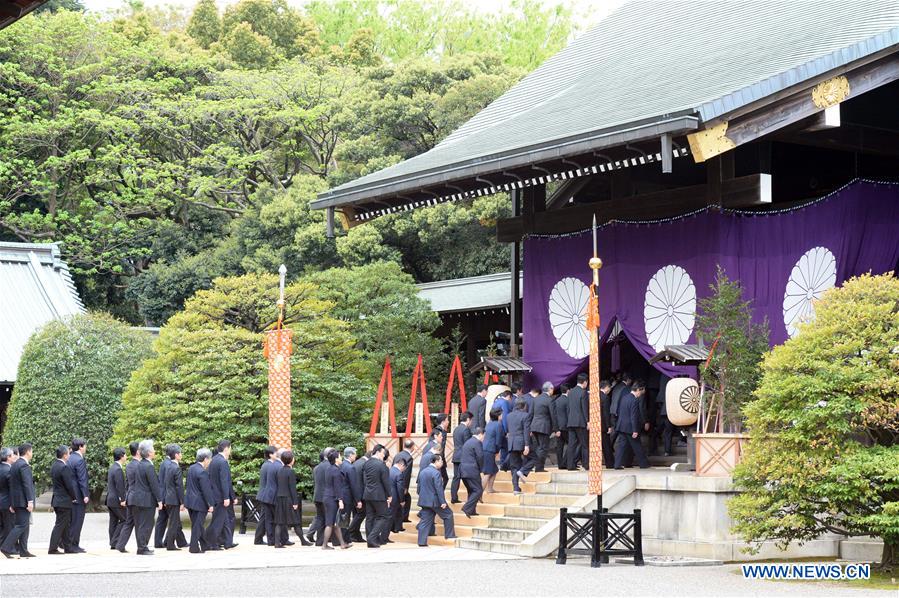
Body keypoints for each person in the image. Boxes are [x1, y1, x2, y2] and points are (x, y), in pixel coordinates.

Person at [2, 442, 35, 558]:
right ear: (27, 452)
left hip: (17, 501)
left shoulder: (15, 464)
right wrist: (30, 501)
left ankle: (23, 550)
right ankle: (6, 547)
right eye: (31, 451)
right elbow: (27, 484)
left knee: (24, 526)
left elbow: (12, 485)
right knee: (21, 525)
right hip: (23, 501)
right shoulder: (24, 465)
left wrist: (12, 503)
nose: (32, 453)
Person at [415, 455, 456, 547]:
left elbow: (419, 487)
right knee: (448, 515)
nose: (442, 463)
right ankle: (449, 535)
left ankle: (421, 542)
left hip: (424, 501)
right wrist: (443, 502)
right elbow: (439, 489)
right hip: (435, 501)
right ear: (436, 461)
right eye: (441, 461)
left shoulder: (422, 471)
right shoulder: (436, 473)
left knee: (425, 521)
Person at [131, 440, 162, 555]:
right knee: (147, 524)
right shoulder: (148, 466)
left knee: (142, 524)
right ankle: (142, 548)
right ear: (149, 452)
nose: (155, 451)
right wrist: (159, 500)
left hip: (139, 498)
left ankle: (142, 546)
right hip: (147, 499)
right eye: (153, 449)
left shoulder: (140, 464)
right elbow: (154, 485)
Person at [614, 380, 651, 469]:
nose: (640, 394)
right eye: (640, 392)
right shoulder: (634, 400)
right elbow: (634, 416)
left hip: (621, 425)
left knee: (621, 447)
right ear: (638, 390)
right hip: (630, 427)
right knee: (637, 446)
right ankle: (644, 464)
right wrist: (635, 430)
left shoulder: (624, 397)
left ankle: (617, 464)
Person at [184, 448, 216, 553]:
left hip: (190, 501)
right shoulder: (202, 472)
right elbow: (206, 490)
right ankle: (193, 547)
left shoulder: (191, 468)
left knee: (197, 525)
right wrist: (210, 504)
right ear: (205, 459)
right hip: (199, 503)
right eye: (210, 459)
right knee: (197, 526)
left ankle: (204, 545)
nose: (210, 462)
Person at [208, 440, 238, 550]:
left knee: (224, 520)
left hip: (215, 495)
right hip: (221, 496)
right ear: (226, 449)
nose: (230, 451)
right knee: (221, 520)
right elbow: (224, 481)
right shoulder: (223, 462)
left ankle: (226, 541)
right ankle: (213, 542)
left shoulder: (213, 460)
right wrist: (226, 497)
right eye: (230, 448)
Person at [49, 445, 78, 554]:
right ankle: (52, 548)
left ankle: (68, 547)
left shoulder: (54, 465)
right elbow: (69, 485)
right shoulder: (64, 467)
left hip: (57, 499)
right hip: (64, 500)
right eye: (69, 454)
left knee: (65, 525)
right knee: (60, 525)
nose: (69, 456)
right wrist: (74, 497)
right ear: (65, 455)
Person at [157, 444, 187, 551]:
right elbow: (179, 487)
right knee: (174, 523)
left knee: (174, 522)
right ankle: (170, 545)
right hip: (174, 499)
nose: (181, 455)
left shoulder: (168, 467)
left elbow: (164, 484)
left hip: (168, 498)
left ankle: (168, 542)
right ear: (176, 455)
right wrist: (182, 501)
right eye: (180, 453)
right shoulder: (176, 468)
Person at [321, 449, 351, 550]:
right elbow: (338, 487)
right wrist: (340, 500)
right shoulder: (336, 471)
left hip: (327, 496)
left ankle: (342, 543)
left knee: (335, 522)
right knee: (330, 523)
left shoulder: (329, 468)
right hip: (332, 498)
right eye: (340, 456)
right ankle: (324, 545)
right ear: (336, 459)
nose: (341, 458)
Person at [114, 441, 141, 553]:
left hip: (130, 496)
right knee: (139, 523)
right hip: (137, 498)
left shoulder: (129, 465)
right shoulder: (139, 465)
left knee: (129, 522)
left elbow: (127, 483)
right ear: (138, 451)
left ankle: (120, 545)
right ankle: (141, 546)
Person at [362, 444, 391, 548]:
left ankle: (370, 541)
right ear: (378, 452)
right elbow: (386, 482)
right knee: (383, 516)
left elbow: (364, 480)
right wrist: (389, 495)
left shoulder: (366, 463)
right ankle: (372, 538)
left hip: (367, 494)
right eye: (383, 453)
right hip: (379, 494)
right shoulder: (381, 465)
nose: (384, 456)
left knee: (370, 517)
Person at [272, 450, 301, 549]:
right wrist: (295, 502)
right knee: (296, 521)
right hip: (288, 498)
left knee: (279, 522)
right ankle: (303, 540)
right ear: (291, 460)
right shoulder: (291, 471)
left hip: (279, 497)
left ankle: (277, 542)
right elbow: (292, 488)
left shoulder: (279, 470)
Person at [306, 447, 332, 546]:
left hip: (317, 495)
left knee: (320, 517)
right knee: (327, 519)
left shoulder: (317, 467)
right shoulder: (331, 466)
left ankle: (319, 540)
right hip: (327, 496)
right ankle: (323, 540)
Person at [66, 437, 89, 552]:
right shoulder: (79, 460)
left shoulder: (69, 458)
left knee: (71, 520)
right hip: (78, 495)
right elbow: (82, 479)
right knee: (77, 521)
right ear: (80, 447)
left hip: (70, 494)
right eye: (85, 445)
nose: (86, 448)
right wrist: (85, 494)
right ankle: (73, 545)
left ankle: (67, 543)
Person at [254, 445, 279, 546]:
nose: (277, 454)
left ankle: (258, 539)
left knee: (264, 518)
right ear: (270, 455)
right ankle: (270, 539)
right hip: (268, 495)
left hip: (264, 494)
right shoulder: (270, 465)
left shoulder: (266, 465)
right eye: (275, 453)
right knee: (269, 519)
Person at [506, 400, 531, 495]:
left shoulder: (509, 416)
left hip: (511, 443)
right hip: (521, 442)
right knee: (534, 458)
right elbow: (526, 431)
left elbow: (508, 429)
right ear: (523, 406)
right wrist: (527, 445)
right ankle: (522, 471)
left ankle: (516, 488)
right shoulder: (526, 415)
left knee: (514, 466)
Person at [531, 382, 557, 472]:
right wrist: (556, 429)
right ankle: (539, 467)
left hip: (534, 426)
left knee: (539, 447)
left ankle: (536, 466)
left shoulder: (536, 399)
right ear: (550, 389)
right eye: (552, 389)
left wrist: (530, 427)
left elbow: (531, 413)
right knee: (543, 447)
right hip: (544, 427)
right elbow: (553, 415)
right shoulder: (549, 400)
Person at [459, 428, 484, 518]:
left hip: (463, 470)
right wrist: (481, 469)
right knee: (478, 490)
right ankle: (466, 508)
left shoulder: (468, 442)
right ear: (480, 434)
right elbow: (480, 456)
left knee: (471, 490)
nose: (483, 438)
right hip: (472, 470)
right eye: (483, 436)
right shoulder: (477, 442)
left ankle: (472, 510)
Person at [106, 447, 127, 550]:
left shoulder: (112, 467)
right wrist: (123, 499)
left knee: (113, 521)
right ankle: (114, 541)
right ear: (121, 456)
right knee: (124, 520)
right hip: (116, 500)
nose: (126, 456)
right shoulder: (118, 469)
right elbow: (120, 486)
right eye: (125, 454)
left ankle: (113, 543)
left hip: (110, 499)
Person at [567, 373, 590, 470]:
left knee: (571, 445)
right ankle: (586, 465)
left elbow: (568, 407)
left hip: (571, 421)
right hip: (580, 422)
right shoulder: (583, 392)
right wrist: (588, 421)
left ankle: (570, 465)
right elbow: (584, 408)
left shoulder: (571, 392)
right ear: (585, 382)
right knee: (585, 445)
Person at [450, 411, 473, 503]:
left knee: (456, 477)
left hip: (456, 456)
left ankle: (454, 497)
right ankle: (471, 496)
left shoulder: (456, 429)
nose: (471, 422)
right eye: (471, 420)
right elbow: (467, 445)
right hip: (463, 457)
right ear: (468, 419)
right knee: (467, 477)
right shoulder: (466, 429)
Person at [347, 450, 368, 543]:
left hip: (353, 493)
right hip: (360, 494)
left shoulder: (356, 463)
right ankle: (350, 531)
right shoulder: (364, 464)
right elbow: (364, 481)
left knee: (356, 514)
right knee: (361, 513)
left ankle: (356, 535)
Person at [482, 408, 504, 493]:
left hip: (485, 448)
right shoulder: (498, 425)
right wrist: (497, 451)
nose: (502, 415)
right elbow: (498, 440)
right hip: (490, 449)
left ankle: (490, 488)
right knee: (487, 472)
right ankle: (478, 494)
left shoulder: (489, 424)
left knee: (494, 470)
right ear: (498, 416)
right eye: (501, 414)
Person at [339, 447, 358, 541]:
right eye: (355, 454)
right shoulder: (350, 467)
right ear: (350, 455)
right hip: (347, 495)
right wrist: (357, 499)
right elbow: (353, 484)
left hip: (341, 494)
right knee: (346, 518)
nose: (356, 456)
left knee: (342, 517)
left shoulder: (341, 465)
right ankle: (345, 538)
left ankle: (343, 538)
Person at [394, 440, 415, 523]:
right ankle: (403, 518)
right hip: (401, 482)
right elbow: (407, 474)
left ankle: (402, 518)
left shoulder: (397, 455)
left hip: (394, 480)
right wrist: (405, 487)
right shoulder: (409, 457)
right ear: (412, 447)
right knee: (406, 499)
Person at [0, 448, 17, 548]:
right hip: (7, 503)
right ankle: (9, 548)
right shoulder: (10, 470)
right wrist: (13, 504)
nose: (14, 457)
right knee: (9, 526)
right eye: (12, 455)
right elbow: (12, 489)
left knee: (2, 526)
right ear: (8, 457)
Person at [492, 390, 512, 470]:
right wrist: (507, 430)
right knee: (505, 447)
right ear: (508, 396)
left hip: (494, 426)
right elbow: (504, 417)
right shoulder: (505, 402)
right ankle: (504, 465)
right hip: (502, 428)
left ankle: (500, 464)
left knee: (498, 445)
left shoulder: (496, 401)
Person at [553, 384, 570, 470]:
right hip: (566, 426)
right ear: (568, 390)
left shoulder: (556, 400)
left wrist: (556, 429)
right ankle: (566, 462)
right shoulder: (568, 400)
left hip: (558, 427)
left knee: (559, 446)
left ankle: (560, 464)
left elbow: (554, 415)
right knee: (571, 444)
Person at [388, 458, 406, 534]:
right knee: (393, 515)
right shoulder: (399, 474)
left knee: (391, 514)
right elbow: (400, 489)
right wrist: (402, 500)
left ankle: (394, 528)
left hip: (388, 496)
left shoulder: (389, 470)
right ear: (402, 465)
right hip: (395, 497)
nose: (403, 470)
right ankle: (389, 532)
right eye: (404, 468)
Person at [600, 379, 615, 467]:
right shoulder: (605, 397)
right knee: (606, 445)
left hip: (595, 424)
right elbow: (606, 413)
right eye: (609, 388)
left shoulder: (593, 395)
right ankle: (610, 463)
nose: (609, 390)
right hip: (603, 425)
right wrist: (609, 426)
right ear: (606, 387)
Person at [433, 414, 450, 487]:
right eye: (447, 420)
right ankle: (439, 493)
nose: (448, 422)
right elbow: (438, 447)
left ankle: (439, 493)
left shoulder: (440, 430)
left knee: (444, 479)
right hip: (437, 459)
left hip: (439, 458)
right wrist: (439, 459)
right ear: (443, 421)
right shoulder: (438, 431)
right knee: (443, 479)